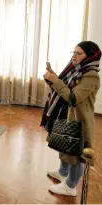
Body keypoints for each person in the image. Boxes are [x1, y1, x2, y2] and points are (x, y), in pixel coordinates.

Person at [41, 41, 101, 196]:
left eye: (78, 53)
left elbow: (73, 97)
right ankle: (63, 172)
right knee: (64, 146)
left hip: (78, 120)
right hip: (65, 114)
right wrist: (52, 78)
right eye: (73, 52)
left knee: (75, 153)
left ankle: (71, 186)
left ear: (89, 56)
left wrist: (56, 81)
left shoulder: (91, 76)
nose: (74, 56)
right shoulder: (74, 70)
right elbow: (63, 89)